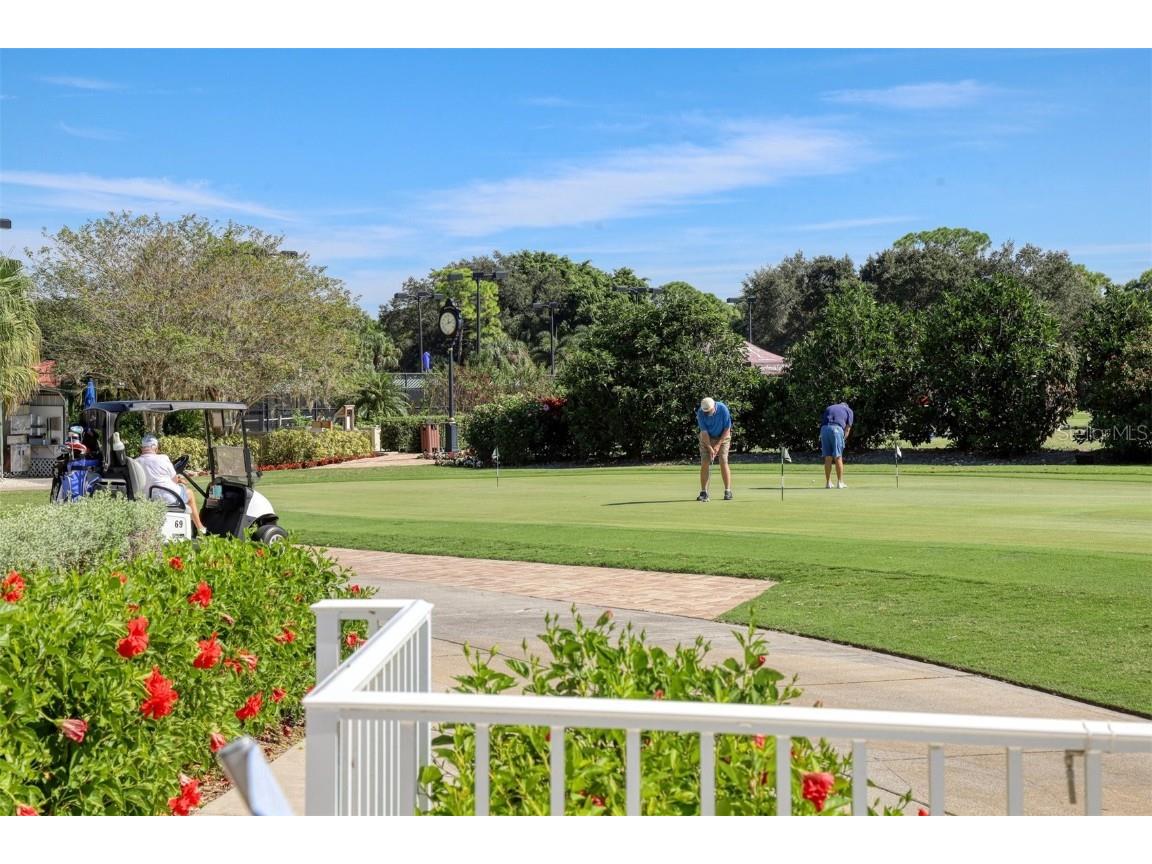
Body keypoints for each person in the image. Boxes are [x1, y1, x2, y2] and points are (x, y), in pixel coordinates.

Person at [137, 434, 208, 534]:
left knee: (182, 489)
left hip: (147, 498)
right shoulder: (163, 458)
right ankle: (200, 528)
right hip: (167, 498)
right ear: (155, 448)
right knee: (190, 493)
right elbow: (174, 480)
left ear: (142, 448)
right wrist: (179, 480)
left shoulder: (135, 462)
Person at [695, 397, 732, 502]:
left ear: (714, 406)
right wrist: (710, 447)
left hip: (723, 436)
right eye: (705, 411)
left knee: (723, 460)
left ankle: (728, 491)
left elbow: (727, 429)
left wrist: (718, 445)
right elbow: (704, 433)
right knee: (705, 462)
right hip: (707, 438)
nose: (706, 413)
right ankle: (703, 492)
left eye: (708, 411)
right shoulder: (700, 412)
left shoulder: (723, 409)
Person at [820, 400, 854, 489]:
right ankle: (840, 482)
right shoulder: (849, 410)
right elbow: (847, 429)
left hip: (824, 430)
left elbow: (823, 421)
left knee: (828, 457)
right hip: (836, 429)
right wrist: (843, 440)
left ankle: (828, 483)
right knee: (838, 457)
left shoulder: (829, 407)